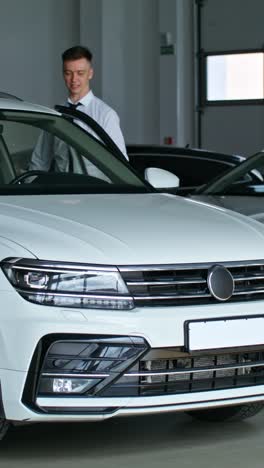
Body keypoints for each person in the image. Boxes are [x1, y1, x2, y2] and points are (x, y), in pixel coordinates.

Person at [29, 45, 128, 172]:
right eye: (68, 73)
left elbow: (121, 164)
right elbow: (40, 160)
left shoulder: (106, 115)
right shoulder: (55, 114)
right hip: (61, 188)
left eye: (80, 73)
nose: (74, 79)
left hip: (94, 189)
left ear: (90, 74)